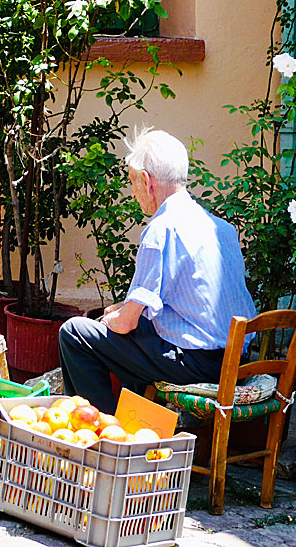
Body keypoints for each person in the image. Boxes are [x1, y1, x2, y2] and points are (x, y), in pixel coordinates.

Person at [59, 128, 257, 414]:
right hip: (233, 358)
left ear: (146, 180)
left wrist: (108, 319)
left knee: (75, 333)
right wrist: (121, 314)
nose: (132, 192)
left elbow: (126, 323)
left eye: (132, 182)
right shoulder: (221, 228)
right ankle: (141, 423)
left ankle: (101, 431)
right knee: (134, 334)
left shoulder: (161, 230)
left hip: (198, 364)